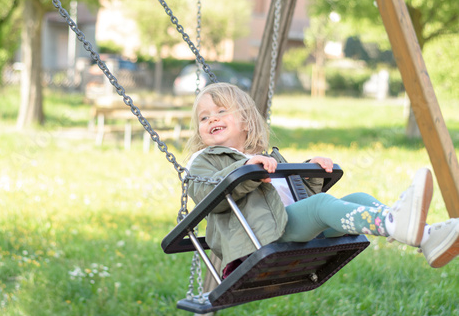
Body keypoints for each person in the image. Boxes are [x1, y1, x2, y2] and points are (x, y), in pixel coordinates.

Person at [186, 82, 459, 278]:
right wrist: (244, 169)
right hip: (262, 239)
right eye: (204, 117)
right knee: (321, 206)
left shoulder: (267, 157)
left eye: (221, 112)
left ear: (246, 121)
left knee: (358, 199)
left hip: (289, 227)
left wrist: (310, 174)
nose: (212, 119)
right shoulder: (204, 161)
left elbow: (296, 197)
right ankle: (397, 223)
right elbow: (207, 193)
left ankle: (425, 238)